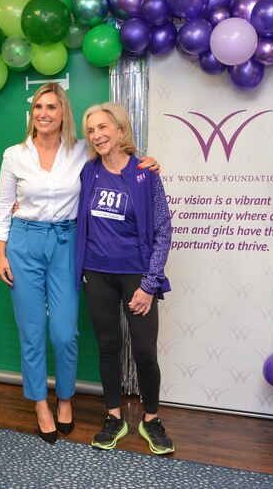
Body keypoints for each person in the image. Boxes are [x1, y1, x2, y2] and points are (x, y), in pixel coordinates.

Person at [0, 83, 158, 443]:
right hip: (24, 244)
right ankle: (40, 403)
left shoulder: (83, 151)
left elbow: (120, 160)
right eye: (38, 107)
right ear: (31, 113)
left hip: (67, 245)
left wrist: (148, 161)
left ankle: (65, 398)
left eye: (51, 106)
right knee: (32, 332)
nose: (43, 113)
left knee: (65, 333)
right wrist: (1, 253)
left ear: (63, 112)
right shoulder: (13, 155)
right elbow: (3, 206)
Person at [76, 103, 174, 455]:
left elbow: (163, 230)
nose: (97, 135)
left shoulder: (145, 174)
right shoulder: (88, 173)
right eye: (90, 130)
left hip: (136, 275)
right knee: (108, 347)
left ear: (120, 130)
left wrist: (149, 285)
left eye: (103, 127)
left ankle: (151, 419)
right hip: (97, 274)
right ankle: (114, 416)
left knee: (145, 351)